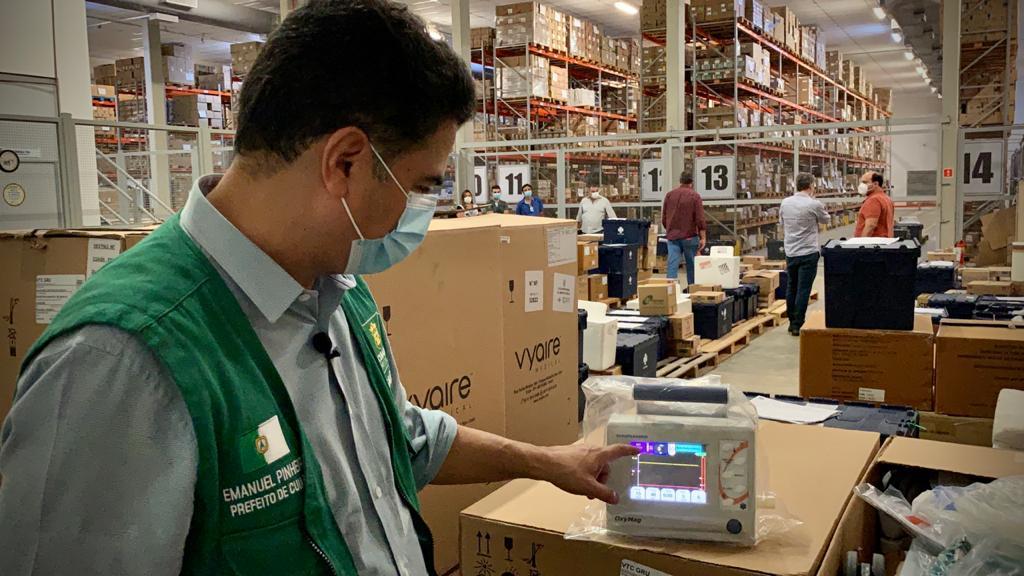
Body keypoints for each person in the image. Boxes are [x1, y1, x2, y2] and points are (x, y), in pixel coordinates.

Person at [0, 2, 637, 575]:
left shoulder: (338, 288)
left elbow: (397, 438)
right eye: (422, 186)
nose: (422, 213)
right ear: (345, 162)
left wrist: (548, 462)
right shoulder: (119, 363)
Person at [779, 173, 830, 336]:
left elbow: (782, 222)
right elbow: (826, 220)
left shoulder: (785, 202)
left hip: (791, 252)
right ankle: (797, 324)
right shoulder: (814, 204)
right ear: (811, 186)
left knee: (791, 286)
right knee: (803, 289)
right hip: (808, 252)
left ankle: (791, 321)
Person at [662, 173, 707, 285]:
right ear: (692, 182)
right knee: (691, 266)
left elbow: (664, 217)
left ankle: (670, 290)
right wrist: (703, 237)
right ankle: (692, 290)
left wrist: (670, 230)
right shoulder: (695, 196)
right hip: (689, 237)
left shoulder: (669, 195)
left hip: (673, 237)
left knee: (672, 265)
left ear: (680, 181)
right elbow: (700, 219)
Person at [854, 171, 894, 238]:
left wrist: (862, 242)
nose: (861, 185)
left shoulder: (874, 200)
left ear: (875, 184)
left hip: (873, 242)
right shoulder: (886, 198)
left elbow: (871, 225)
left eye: (864, 182)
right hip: (885, 240)